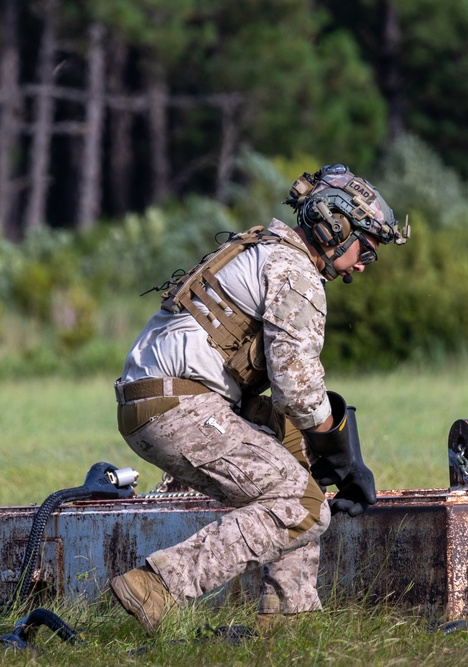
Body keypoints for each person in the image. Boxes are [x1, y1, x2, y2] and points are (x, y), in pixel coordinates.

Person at [109, 164, 410, 635]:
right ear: (335, 227)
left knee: (297, 453)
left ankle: (290, 616)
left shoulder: (263, 250)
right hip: (178, 407)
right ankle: (159, 585)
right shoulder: (295, 273)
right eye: (366, 249)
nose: (364, 265)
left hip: (161, 400)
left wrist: (332, 453)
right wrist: (347, 462)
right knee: (304, 505)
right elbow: (299, 390)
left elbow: (293, 404)